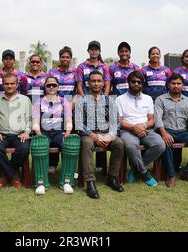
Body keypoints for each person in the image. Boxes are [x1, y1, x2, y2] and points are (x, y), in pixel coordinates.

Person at [75, 71, 124, 199]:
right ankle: (90, 181)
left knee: (119, 143)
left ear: (103, 83)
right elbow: (79, 123)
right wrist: (93, 135)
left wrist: (109, 136)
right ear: (88, 83)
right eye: (93, 81)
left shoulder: (110, 101)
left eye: (98, 81)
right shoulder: (82, 101)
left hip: (106, 132)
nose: (96, 84)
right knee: (86, 143)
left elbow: (116, 122)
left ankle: (112, 178)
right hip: (89, 134)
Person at [154, 73, 188, 187]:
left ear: (182, 86)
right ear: (168, 85)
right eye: (173, 83)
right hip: (167, 130)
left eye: (179, 83)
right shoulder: (160, 99)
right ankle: (171, 175)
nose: (176, 86)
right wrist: (164, 133)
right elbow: (158, 119)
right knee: (166, 143)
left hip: (183, 132)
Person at [116, 71, 165, 186]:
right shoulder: (120, 99)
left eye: (139, 82)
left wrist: (143, 126)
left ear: (142, 84)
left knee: (160, 144)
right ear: (128, 83)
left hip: (146, 129)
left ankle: (135, 168)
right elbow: (120, 121)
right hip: (128, 130)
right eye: (133, 82)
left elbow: (152, 120)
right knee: (131, 146)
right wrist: (133, 128)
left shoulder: (148, 99)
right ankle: (144, 173)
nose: (136, 84)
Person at [32, 77, 74, 195]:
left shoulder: (64, 101)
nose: (51, 87)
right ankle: (41, 182)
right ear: (44, 87)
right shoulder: (38, 102)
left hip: (59, 132)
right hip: (44, 132)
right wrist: (39, 135)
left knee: (70, 146)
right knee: (40, 146)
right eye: (48, 85)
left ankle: (66, 181)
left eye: (54, 85)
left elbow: (68, 121)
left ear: (58, 87)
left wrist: (67, 134)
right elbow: (35, 122)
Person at [0, 73, 32, 189]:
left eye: (12, 83)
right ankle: (13, 176)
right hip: (1, 134)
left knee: (24, 149)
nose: (9, 86)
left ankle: (4, 174)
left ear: (17, 84)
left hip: (19, 134)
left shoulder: (25, 100)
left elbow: (29, 118)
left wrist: (27, 132)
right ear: (2, 85)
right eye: (6, 84)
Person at [76, 41, 111, 172]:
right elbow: (79, 85)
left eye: (96, 49)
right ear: (88, 50)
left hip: (101, 98)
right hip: (86, 99)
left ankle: (101, 166)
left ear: (99, 51)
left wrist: (103, 98)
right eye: (92, 49)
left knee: (102, 125)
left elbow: (107, 84)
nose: (94, 51)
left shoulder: (105, 67)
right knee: (90, 128)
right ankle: (89, 168)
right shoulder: (81, 67)